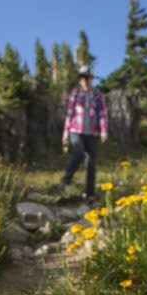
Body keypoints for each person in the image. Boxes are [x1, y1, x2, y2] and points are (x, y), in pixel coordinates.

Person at [60, 65, 108, 202]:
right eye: (82, 77)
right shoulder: (75, 93)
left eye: (87, 77)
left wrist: (104, 130)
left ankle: (90, 195)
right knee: (79, 152)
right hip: (76, 130)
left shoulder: (97, 94)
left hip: (92, 133)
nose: (85, 80)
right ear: (79, 79)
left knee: (91, 164)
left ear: (91, 79)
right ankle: (66, 180)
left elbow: (102, 113)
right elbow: (69, 114)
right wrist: (65, 133)